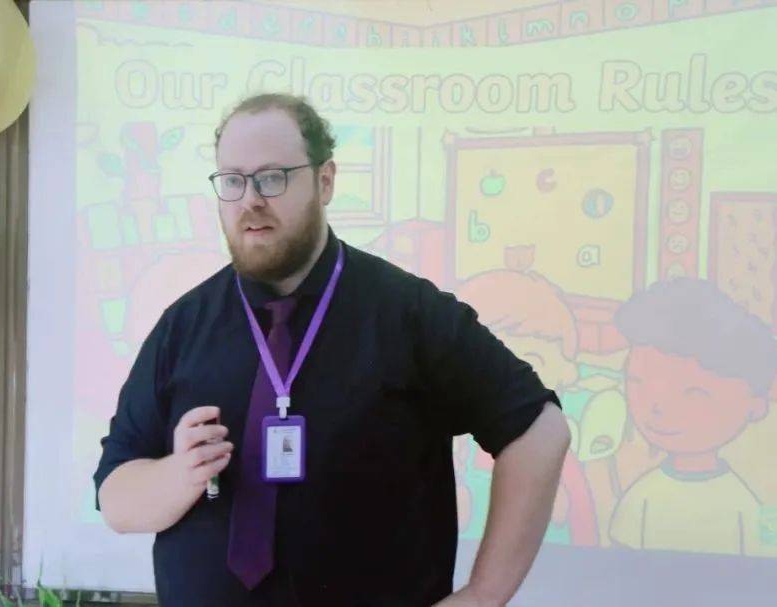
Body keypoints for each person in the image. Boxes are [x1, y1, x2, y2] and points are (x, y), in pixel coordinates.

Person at [94, 93, 571, 607]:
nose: (250, 200)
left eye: (273, 177)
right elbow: (116, 498)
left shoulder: (406, 312)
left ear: (325, 181)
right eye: (233, 181)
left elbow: (540, 430)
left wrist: (481, 596)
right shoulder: (184, 326)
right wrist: (177, 476)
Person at [609, 278, 777, 556]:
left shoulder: (741, 501)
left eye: (694, 393)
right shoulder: (644, 495)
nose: (657, 408)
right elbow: (620, 554)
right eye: (638, 382)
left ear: (755, 404)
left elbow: (761, 558)